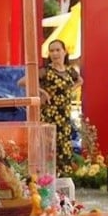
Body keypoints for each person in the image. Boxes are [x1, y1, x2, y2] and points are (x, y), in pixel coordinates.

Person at [34, 40, 81, 172]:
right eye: (52, 51)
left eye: (57, 50)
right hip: (50, 116)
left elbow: (80, 81)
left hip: (64, 117)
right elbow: (23, 82)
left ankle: (63, 179)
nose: (54, 53)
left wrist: (69, 91)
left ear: (64, 52)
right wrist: (42, 92)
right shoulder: (46, 71)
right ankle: (46, 180)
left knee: (64, 148)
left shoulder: (69, 71)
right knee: (49, 148)